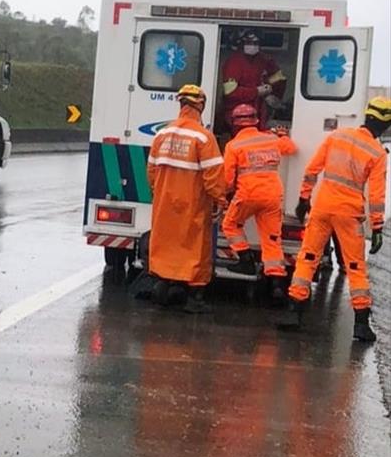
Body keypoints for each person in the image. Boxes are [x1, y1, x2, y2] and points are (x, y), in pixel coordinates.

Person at [278, 96, 389, 342]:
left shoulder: (337, 136)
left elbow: (312, 169)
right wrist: (378, 226)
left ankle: (293, 311)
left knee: (307, 257)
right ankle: (361, 323)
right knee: (355, 267)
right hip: (349, 214)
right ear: (385, 125)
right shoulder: (378, 152)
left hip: (322, 207)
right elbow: (377, 195)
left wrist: (303, 199)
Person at [145, 84, 227, 313]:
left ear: (181, 104)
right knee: (195, 246)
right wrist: (220, 200)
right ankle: (195, 298)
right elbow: (213, 175)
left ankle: (162, 284)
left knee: (164, 241)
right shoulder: (203, 137)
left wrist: (159, 191)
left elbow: (151, 170)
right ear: (200, 105)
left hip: (164, 201)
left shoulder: (162, 134)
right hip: (192, 202)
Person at [221, 102, 297, 299]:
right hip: (272, 195)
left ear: (235, 124)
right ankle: (277, 284)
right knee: (272, 239)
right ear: (256, 121)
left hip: (248, 194)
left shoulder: (233, 146)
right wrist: (282, 135)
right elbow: (290, 148)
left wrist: (222, 195)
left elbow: (228, 180)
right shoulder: (271, 139)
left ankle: (245, 262)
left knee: (230, 225)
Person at [221, 30, 287, 129]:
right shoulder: (234, 62)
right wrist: (256, 92)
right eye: (249, 42)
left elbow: (279, 79)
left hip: (261, 111)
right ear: (241, 43)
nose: (253, 46)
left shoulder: (264, 60)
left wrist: (273, 95)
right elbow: (230, 92)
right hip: (237, 114)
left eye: (256, 43)